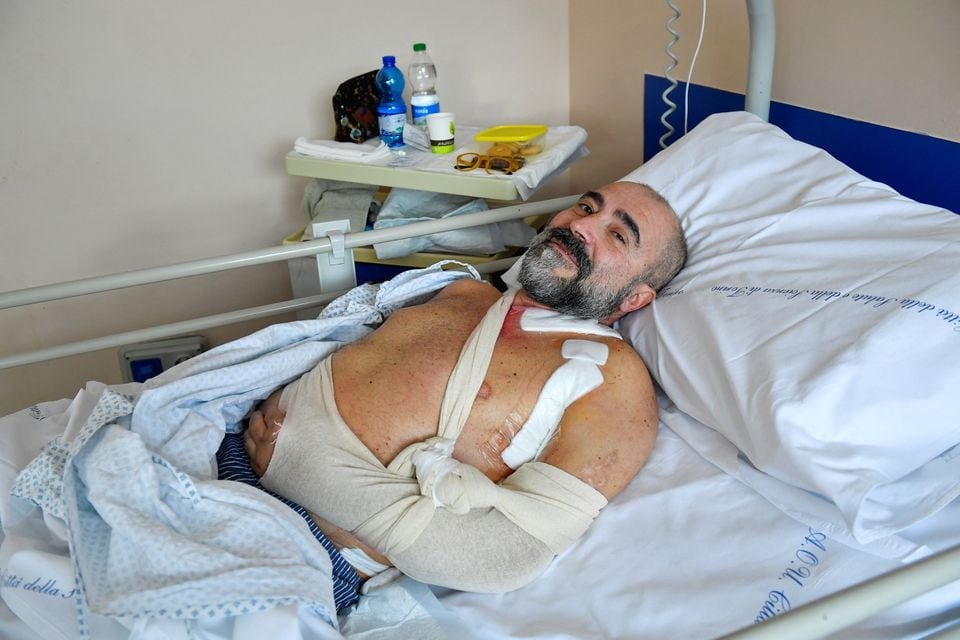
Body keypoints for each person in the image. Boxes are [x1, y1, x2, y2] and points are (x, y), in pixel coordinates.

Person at [238, 181, 687, 596]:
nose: (581, 225)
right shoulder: (459, 290)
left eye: (618, 236)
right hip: (226, 453)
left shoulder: (611, 375)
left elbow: (504, 558)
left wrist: (298, 463)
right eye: (587, 207)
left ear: (635, 299)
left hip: (308, 549)